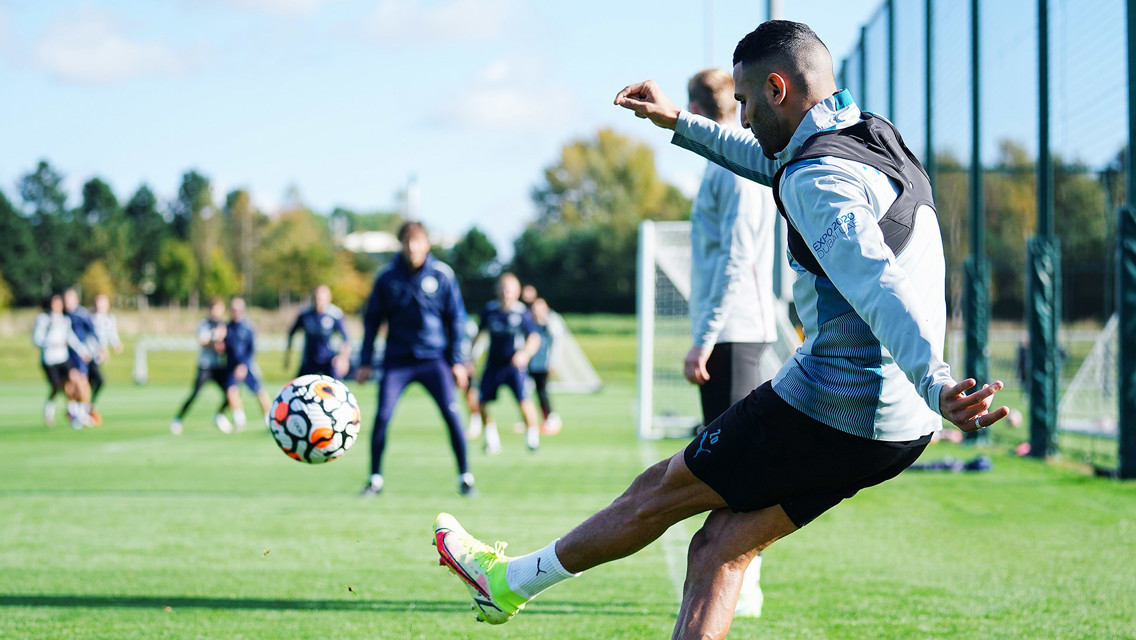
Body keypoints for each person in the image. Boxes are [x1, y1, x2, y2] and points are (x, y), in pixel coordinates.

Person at [433, 21, 1009, 639]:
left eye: (745, 100)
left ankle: (510, 581)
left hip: (842, 404)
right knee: (721, 547)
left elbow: (878, 285)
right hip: (899, 428)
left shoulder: (817, 179)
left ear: (778, 88)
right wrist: (677, 120)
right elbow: (769, 162)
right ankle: (512, 582)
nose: (742, 114)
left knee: (659, 490)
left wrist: (936, 378)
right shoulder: (870, 136)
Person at [680, 66, 781, 618]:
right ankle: (733, 574)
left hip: (736, 333)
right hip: (729, 331)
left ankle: (745, 579)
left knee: (739, 463)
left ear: (699, 109)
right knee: (723, 462)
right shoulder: (722, 161)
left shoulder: (737, 163)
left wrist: (705, 336)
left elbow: (738, 260)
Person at [355, 221, 475, 497]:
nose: (412, 247)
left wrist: (458, 360)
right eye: (407, 241)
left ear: (426, 244)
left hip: (435, 360)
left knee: (452, 415)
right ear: (401, 244)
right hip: (397, 361)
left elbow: (456, 320)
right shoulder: (387, 278)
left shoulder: (443, 275)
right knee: (382, 416)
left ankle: (465, 477)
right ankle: (375, 479)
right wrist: (364, 361)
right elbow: (373, 321)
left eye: (417, 241)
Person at [474, 272, 542, 454]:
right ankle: (491, 439)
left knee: (523, 401)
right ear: (497, 289)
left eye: (510, 289)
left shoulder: (522, 313)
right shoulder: (489, 311)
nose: (506, 292)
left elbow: (534, 338)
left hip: (514, 366)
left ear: (517, 291)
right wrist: (470, 359)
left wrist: (524, 354)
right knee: (480, 402)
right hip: (493, 364)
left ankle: (532, 438)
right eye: (503, 288)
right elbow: (479, 336)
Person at [170, 298, 233, 435]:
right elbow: (203, 341)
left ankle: (219, 415)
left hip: (219, 366)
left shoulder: (224, 325)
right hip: (206, 366)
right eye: (214, 309)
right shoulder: (204, 324)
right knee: (195, 394)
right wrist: (215, 340)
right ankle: (178, 419)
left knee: (231, 393)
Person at [32, 293, 90, 428]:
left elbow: (71, 338)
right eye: (55, 303)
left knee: (75, 379)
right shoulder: (43, 319)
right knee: (57, 387)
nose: (57, 306)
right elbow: (36, 339)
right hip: (49, 360)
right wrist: (52, 343)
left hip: (63, 358)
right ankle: (49, 406)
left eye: (60, 303)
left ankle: (76, 413)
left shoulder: (64, 320)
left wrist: (82, 351)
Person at [223, 296, 272, 431]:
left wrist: (244, 365)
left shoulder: (248, 327)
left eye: (238, 309)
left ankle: (270, 419)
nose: (236, 312)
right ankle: (239, 420)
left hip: (247, 365)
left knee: (259, 391)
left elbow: (252, 349)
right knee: (231, 391)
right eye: (233, 309)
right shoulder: (227, 327)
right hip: (232, 366)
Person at [285, 284, 351, 379]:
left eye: (321, 298)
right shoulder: (305, 315)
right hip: (309, 360)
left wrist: (343, 358)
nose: (318, 301)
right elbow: (291, 333)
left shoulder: (335, 315)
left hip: (328, 360)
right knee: (297, 387)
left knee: (336, 389)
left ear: (328, 298)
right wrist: (287, 357)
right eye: (316, 298)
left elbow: (346, 339)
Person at [62, 288, 99, 427]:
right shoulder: (62, 315)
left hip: (80, 355)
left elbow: (92, 333)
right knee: (70, 384)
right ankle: (74, 412)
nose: (67, 302)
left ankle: (82, 412)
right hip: (65, 355)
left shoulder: (82, 314)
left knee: (82, 382)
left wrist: (92, 350)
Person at [527, 297, 561, 436]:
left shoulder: (549, 326)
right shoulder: (530, 325)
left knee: (542, 392)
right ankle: (530, 420)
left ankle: (550, 418)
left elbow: (556, 345)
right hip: (530, 363)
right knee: (526, 392)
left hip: (543, 364)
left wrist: (552, 362)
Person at [91, 293, 124, 418]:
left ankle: (88, 406)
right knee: (97, 381)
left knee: (96, 382)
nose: (100, 305)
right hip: (89, 354)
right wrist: (100, 348)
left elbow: (112, 334)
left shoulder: (109, 318)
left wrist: (116, 344)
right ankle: (86, 407)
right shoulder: (90, 318)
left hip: (99, 355)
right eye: (98, 302)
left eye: (103, 303)